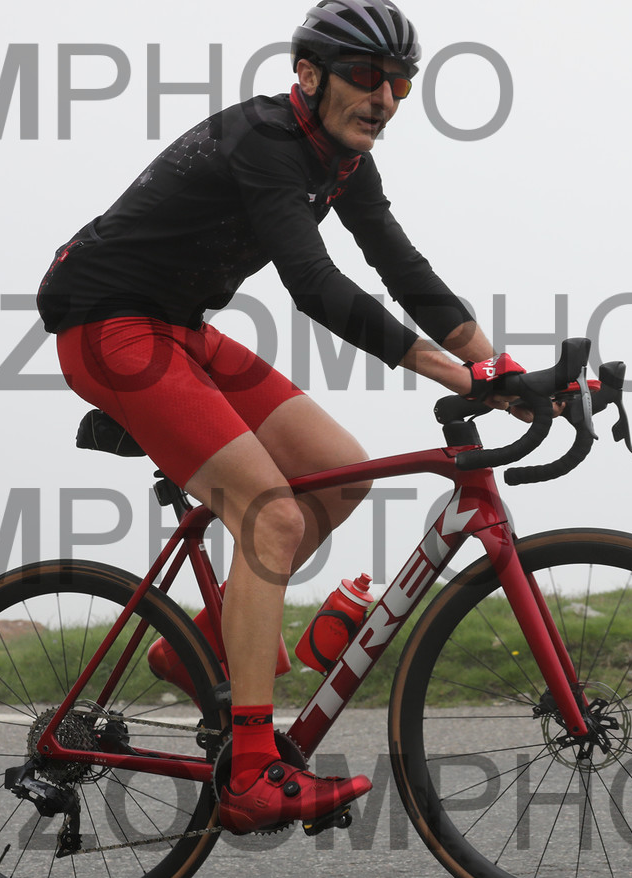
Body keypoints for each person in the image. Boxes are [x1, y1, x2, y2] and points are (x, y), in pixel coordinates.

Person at [36, 0, 523, 833]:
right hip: (110, 327)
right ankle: (253, 773)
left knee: (337, 474)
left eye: (400, 83)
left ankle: (197, 648)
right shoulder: (265, 140)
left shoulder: (345, 164)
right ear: (308, 75)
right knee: (270, 514)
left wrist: (500, 368)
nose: (385, 97)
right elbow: (314, 284)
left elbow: (402, 268)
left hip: (180, 328)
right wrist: (453, 372)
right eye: (367, 76)